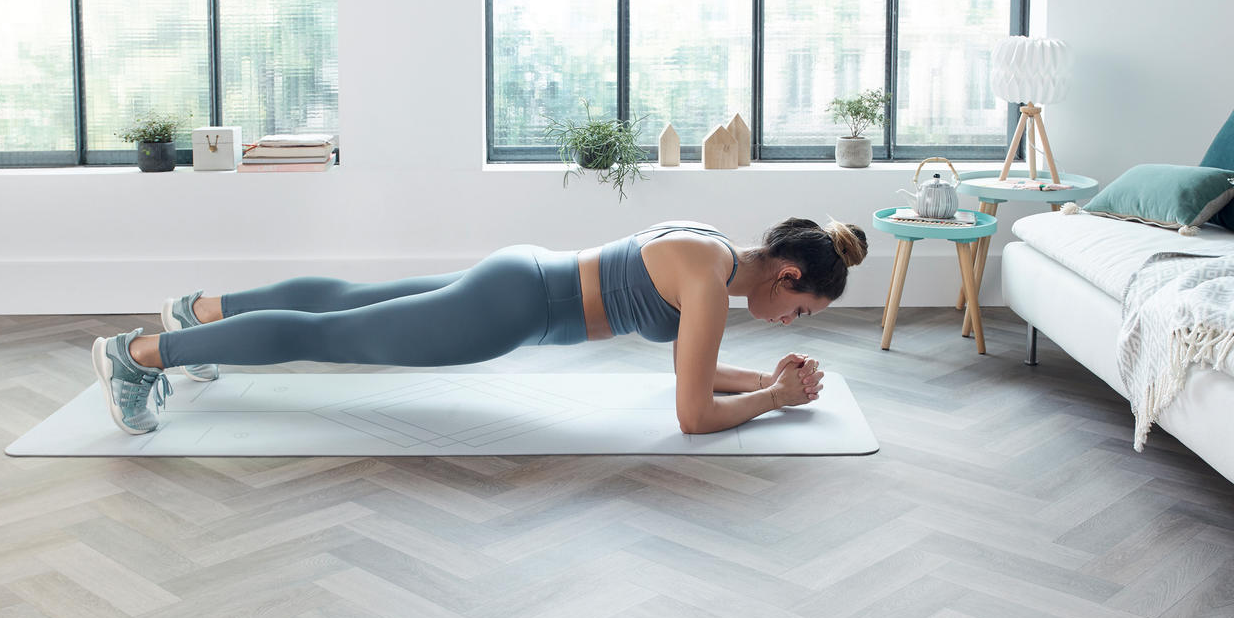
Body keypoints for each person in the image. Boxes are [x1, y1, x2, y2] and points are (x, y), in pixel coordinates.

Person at [92, 217, 869, 436]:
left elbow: (694, 375)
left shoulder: (711, 249)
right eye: (799, 312)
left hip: (521, 275)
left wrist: (768, 382)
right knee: (326, 335)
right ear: (789, 276)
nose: (786, 323)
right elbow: (693, 412)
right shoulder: (707, 285)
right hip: (511, 312)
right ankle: (140, 355)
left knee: (348, 301)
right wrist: (773, 400)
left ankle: (198, 313)